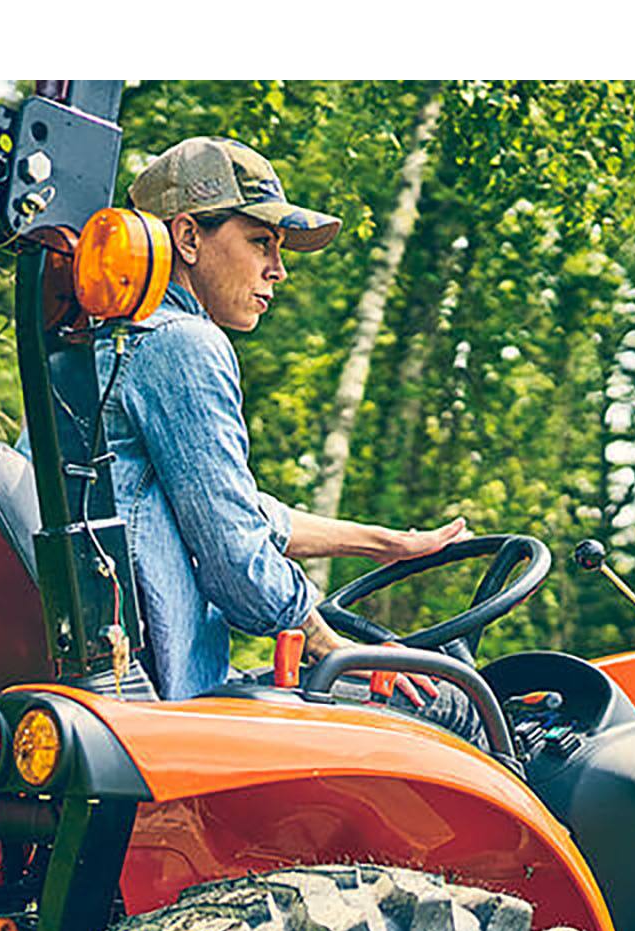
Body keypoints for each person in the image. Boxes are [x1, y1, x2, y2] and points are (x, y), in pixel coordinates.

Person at [35, 135, 475, 728]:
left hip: (116, 699)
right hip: (174, 709)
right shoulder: (181, 343)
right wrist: (331, 645)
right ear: (188, 238)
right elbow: (236, 561)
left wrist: (383, 543)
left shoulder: (96, 350)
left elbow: (229, 509)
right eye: (260, 242)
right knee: (456, 703)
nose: (279, 269)